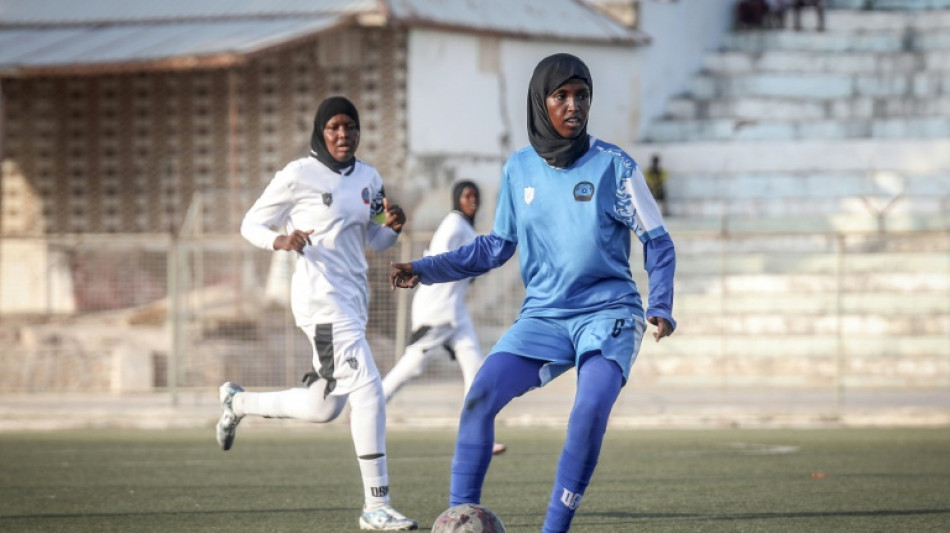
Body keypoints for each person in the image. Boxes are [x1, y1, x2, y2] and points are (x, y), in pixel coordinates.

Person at [390, 53, 676, 532]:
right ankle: (461, 519)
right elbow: (494, 248)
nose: (573, 106)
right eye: (561, 96)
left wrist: (661, 305)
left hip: (609, 315)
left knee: (587, 412)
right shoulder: (518, 169)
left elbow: (658, 241)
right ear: (540, 103)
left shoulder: (614, 166)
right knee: (479, 396)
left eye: (581, 95)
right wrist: (424, 269)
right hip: (543, 318)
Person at [215, 96, 419, 531]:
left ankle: (238, 401)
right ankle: (375, 506)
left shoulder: (369, 179)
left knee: (324, 406)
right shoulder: (297, 175)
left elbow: (376, 242)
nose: (343, 134)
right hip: (320, 303)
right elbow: (250, 224)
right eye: (334, 127)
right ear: (320, 133)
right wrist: (280, 241)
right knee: (369, 391)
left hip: (353, 302)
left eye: (350, 127)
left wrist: (393, 227)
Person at [380, 181, 506, 456]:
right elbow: (438, 258)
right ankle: (368, 407)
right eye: (466, 196)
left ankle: (478, 438)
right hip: (437, 309)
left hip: (456, 311)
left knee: (476, 369)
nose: (472, 201)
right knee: (413, 365)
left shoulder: (466, 227)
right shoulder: (453, 225)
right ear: (456, 200)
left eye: (475, 196)